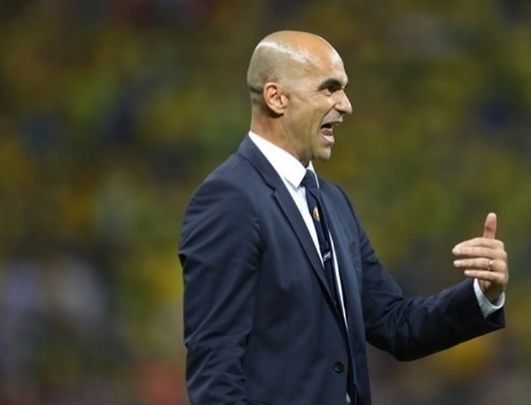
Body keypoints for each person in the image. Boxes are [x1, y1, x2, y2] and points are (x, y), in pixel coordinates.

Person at [178, 30, 509, 405]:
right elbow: (215, 370)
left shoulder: (334, 203)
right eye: (329, 88)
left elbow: (395, 324)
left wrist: (483, 294)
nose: (346, 105)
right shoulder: (229, 199)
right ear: (276, 97)